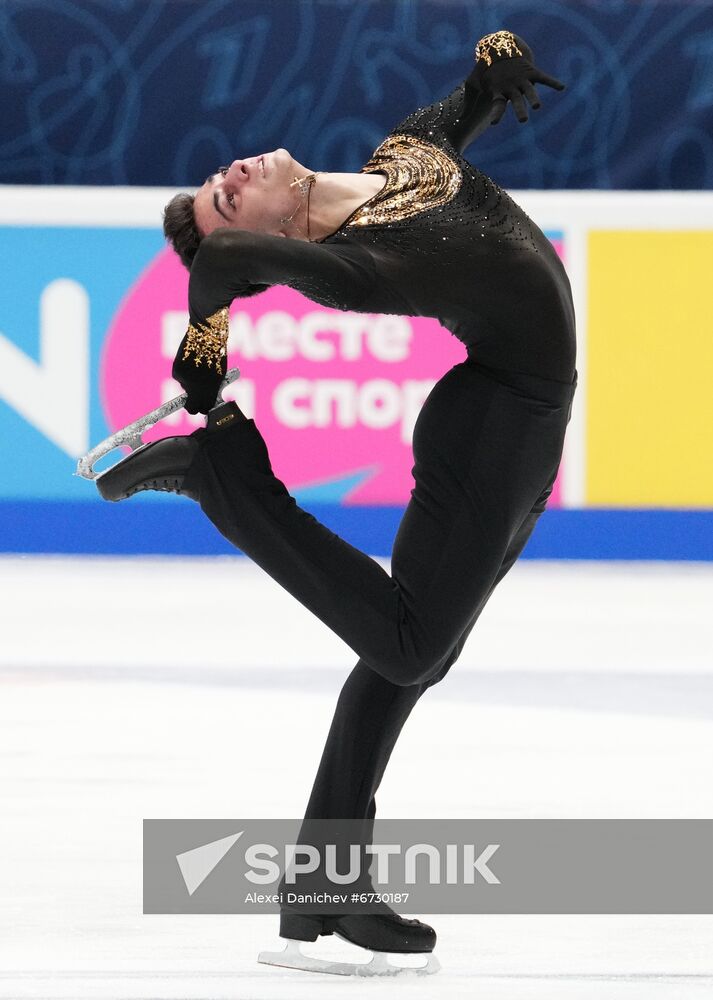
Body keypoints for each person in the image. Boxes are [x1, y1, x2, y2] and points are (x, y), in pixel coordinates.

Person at [98, 29, 576, 971]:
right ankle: (222, 480)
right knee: (407, 644)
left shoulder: (398, 158)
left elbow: (468, 99)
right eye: (227, 200)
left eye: (221, 179)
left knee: (405, 660)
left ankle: (323, 888)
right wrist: (209, 329)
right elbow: (220, 275)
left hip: (513, 415)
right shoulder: (359, 269)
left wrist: (495, 61)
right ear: (262, 235)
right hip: (496, 427)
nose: (230, 173)